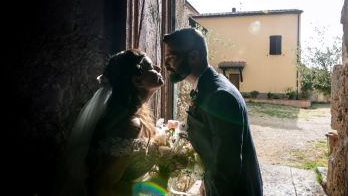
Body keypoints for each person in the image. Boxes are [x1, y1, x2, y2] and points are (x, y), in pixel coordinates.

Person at [163, 28, 263, 196]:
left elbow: (226, 169)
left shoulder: (219, 96)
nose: (166, 64)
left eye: (171, 57)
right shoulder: (207, 86)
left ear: (194, 56)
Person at [56, 49, 164, 196]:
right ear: (137, 81)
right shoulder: (129, 126)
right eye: (151, 68)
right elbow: (102, 188)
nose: (158, 68)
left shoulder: (137, 114)